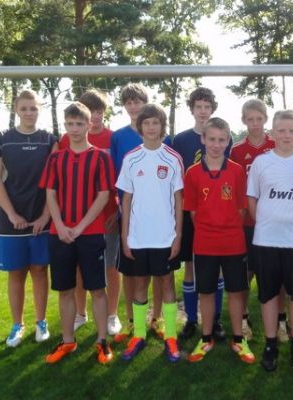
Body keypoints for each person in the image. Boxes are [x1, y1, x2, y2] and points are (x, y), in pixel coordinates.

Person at [247, 110, 293, 373]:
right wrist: (266, 221)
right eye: (281, 130)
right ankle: (270, 344)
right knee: (268, 295)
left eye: (291, 130)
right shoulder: (261, 163)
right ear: (273, 133)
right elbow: (252, 198)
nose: (286, 135)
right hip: (266, 241)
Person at [40, 102, 114, 364]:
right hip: (60, 234)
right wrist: (60, 225)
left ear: (89, 125)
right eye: (70, 124)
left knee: (97, 289)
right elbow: (50, 193)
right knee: (65, 289)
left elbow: (104, 195)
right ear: (65, 125)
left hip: (90, 234)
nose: (74, 128)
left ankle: (102, 341)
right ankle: (68, 340)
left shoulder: (101, 157)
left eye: (79, 123)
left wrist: (80, 227)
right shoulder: (55, 158)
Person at [0, 89, 57, 348]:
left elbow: (55, 181)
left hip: (41, 219)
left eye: (34, 108)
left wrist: (45, 216)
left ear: (40, 109)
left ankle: (41, 322)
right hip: (11, 220)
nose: (29, 112)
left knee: (39, 270)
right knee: (16, 272)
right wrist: (11, 213)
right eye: (24, 108)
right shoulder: (2, 140)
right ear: (16, 110)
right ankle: (17, 324)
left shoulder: (49, 140)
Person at [115, 104, 184, 363]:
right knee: (140, 283)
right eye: (147, 123)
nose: (151, 127)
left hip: (165, 236)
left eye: (156, 122)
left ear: (162, 126)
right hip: (138, 236)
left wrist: (178, 235)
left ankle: (171, 336)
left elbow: (179, 199)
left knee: (166, 283)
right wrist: (125, 236)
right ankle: (139, 334)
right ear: (140, 127)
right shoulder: (131, 158)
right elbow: (126, 199)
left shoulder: (172, 158)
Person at [184, 117, 255, 364]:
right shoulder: (192, 173)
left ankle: (239, 339)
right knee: (206, 291)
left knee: (236, 291)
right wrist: (210, 229)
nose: (216, 144)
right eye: (212, 139)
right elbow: (193, 212)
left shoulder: (236, 171)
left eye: (222, 140)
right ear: (203, 139)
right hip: (204, 243)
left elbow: (241, 209)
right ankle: (206, 338)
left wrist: (226, 227)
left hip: (233, 242)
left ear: (228, 141)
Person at [58, 89, 122, 336]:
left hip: (107, 214)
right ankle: (80, 313)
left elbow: (118, 177)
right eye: (90, 111)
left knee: (111, 267)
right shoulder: (66, 140)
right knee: (78, 268)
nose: (95, 116)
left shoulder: (112, 138)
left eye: (99, 111)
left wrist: (115, 210)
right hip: (76, 218)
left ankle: (112, 314)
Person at [171, 87, 231, 341]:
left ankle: (214, 319)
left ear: (212, 109)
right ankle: (191, 319)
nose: (203, 111)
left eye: (207, 106)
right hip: (189, 210)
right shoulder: (181, 140)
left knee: (217, 269)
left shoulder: (223, 137)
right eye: (199, 106)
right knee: (191, 267)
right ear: (192, 109)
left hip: (216, 212)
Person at [110, 83, 165, 341]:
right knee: (131, 272)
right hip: (130, 216)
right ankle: (133, 321)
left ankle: (158, 318)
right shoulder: (118, 137)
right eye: (128, 102)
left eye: (137, 101)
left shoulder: (164, 140)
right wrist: (117, 208)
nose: (133, 106)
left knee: (159, 273)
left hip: (158, 218)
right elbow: (115, 177)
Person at [229, 99, 287, 342]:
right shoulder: (237, 151)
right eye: (250, 119)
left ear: (265, 119)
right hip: (247, 224)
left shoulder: (276, 145)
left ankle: (281, 320)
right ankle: (244, 319)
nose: (254, 124)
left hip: (275, 220)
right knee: (247, 273)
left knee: (278, 273)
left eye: (259, 119)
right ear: (244, 120)